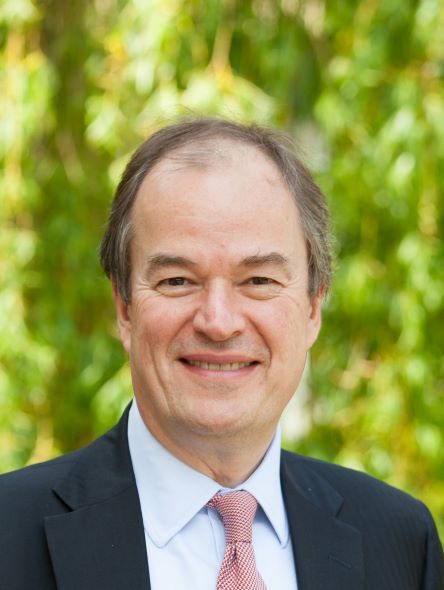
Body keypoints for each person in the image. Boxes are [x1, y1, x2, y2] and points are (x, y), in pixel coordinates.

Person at [0, 118, 442, 590]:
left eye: (259, 281)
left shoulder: (400, 543)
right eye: (177, 281)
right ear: (124, 309)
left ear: (314, 307)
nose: (218, 321)